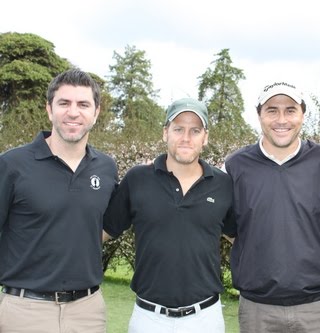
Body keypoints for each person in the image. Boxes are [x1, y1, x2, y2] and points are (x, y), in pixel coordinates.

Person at [223, 82, 320, 332]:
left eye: (290, 110)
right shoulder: (235, 165)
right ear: (259, 115)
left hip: (319, 309)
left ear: (303, 114)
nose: (281, 119)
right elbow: (219, 219)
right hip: (257, 310)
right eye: (272, 110)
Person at [0, 68, 118, 332]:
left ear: (96, 113)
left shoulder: (106, 168)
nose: (73, 112)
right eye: (64, 103)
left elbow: (106, 224)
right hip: (24, 311)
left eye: (83, 104)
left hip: (88, 312)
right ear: (49, 109)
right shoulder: (11, 165)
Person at [103, 97, 235, 333]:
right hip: (148, 319)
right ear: (165, 133)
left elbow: (239, 238)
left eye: (195, 130)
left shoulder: (224, 184)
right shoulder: (137, 179)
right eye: (178, 129)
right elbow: (103, 232)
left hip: (205, 319)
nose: (186, 137)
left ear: (205, 137)